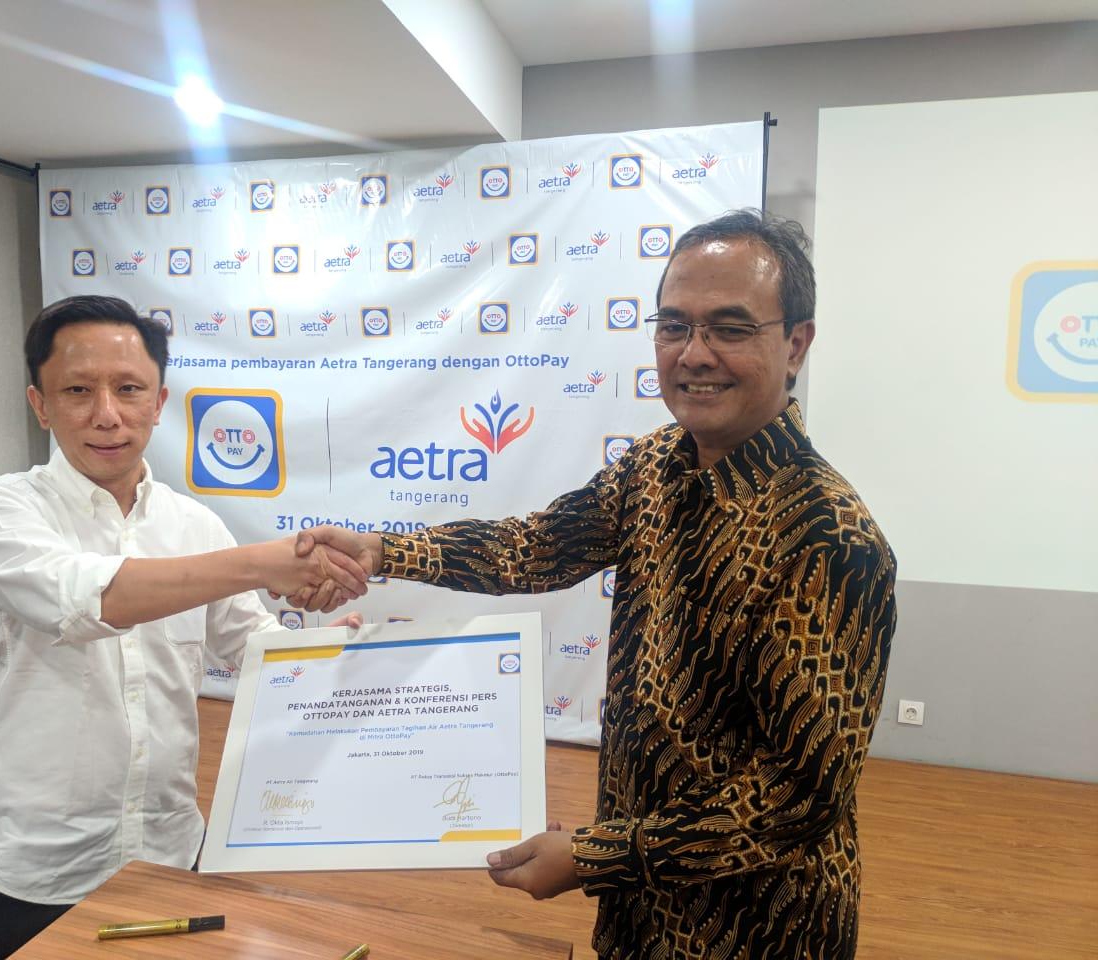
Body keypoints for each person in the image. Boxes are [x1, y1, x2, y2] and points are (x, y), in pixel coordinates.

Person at [286, 210, 897, 958]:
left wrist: (593, 857)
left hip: (759, 927)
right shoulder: (656, 466)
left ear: (796, 343)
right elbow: (535, 547)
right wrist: (383, 551)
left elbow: (797, 798)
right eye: (674, 326)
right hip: (638, 916)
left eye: (729, 328)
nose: (694, 353)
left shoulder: (830, 539)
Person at [0, 295, 367, 959]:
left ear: (159, 402)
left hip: (171, 852)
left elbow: (255, 646)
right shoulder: (0, 511)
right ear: (40, 404)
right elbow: (87, 600)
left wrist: (336, 650)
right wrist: (267, 561)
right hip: (37, 866)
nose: (107, 414)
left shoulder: (193, 524)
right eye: (78, 390)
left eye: (129, 389)